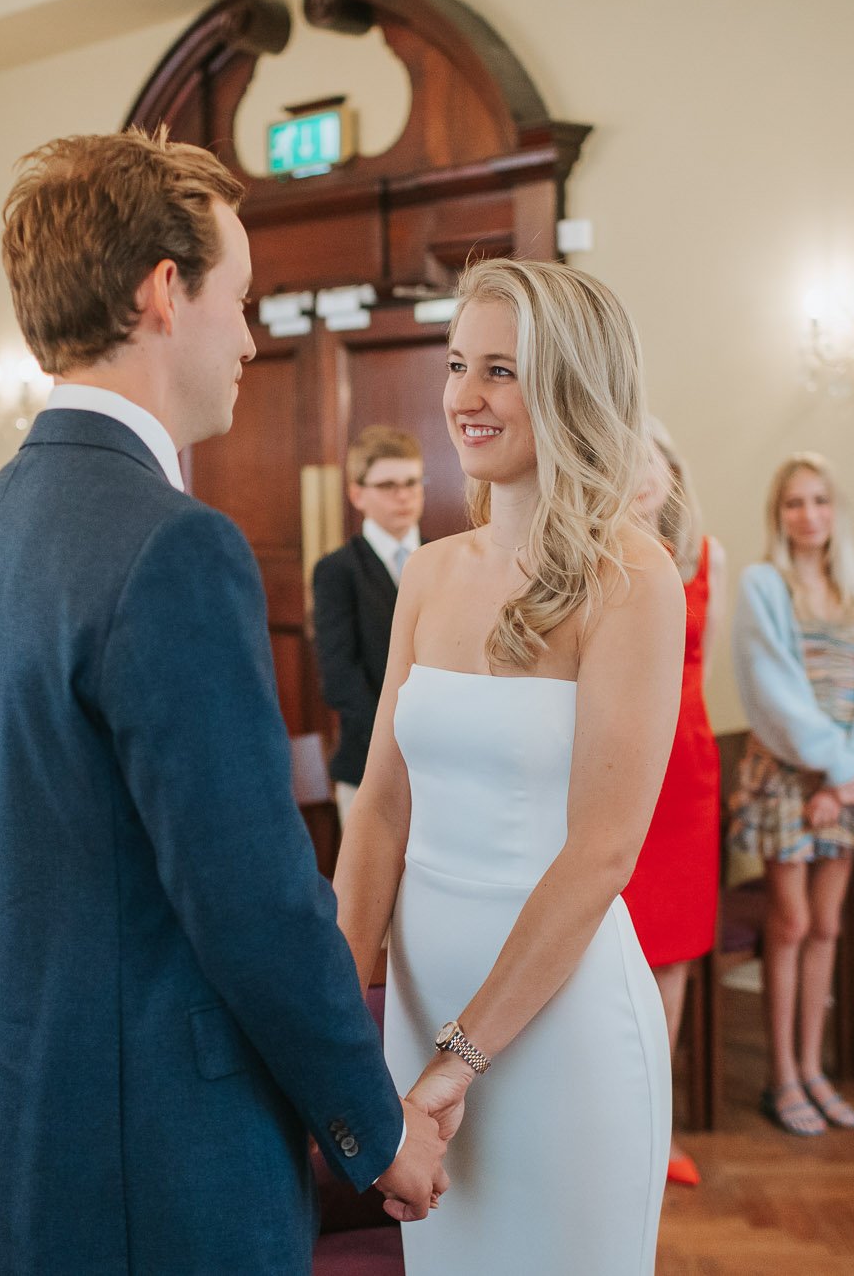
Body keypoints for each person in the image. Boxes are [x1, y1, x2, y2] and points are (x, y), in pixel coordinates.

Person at [0, 128, 449, 1274]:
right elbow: (252, 898)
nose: (252, 339)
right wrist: (374, 1124)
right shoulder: (174, 548)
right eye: (243, 297)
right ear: (164, 292)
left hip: (18, 1126)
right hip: (155, 1155)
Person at [334, 257, 684, 1274]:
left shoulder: (631, 578)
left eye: (501, 369)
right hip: (414, 1008)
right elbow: (383, 811)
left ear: (572, 388)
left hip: (554, 1025)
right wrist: (342, 1015)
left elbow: (600, 851)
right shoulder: (431, 573)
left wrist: (460, 1058)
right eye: (456, 365)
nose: (463, 398)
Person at [730, 452, 854, 1134]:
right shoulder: (762, 583)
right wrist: (830, 769)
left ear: (837, 509)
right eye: (795, 503)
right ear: (779, 515)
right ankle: (781, 1078)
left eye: (820, 501)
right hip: (789, 772)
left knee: (830, 925)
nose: (809, 515)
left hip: (851, 776)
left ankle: (813, 1068)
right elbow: (773, 688)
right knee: (792, 921)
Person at [618, 417, 723, 1185]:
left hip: (688, 770)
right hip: (623, 766)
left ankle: (664, 1124)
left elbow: (704, 667)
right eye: (630, 460)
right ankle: (614, 1118)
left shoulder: (707, 559)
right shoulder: (601, 559)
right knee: (615, 946)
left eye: (656, 458)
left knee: (677, 949)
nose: (646, 471)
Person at [313, 425, 426, 820]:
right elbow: (339, 678)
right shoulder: (337, 570)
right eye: (389, 484)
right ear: (357, 494)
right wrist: (401, 738)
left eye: (412, 482)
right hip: (368, 763)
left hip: (438, 767)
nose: (404, 494)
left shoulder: (444, 559)